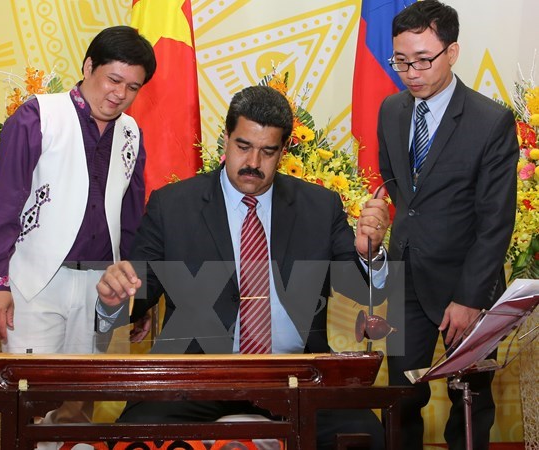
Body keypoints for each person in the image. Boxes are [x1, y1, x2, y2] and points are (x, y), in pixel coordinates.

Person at [96, 85, 391, 450]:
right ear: (225, 140)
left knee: (367, 436)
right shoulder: (173, 206)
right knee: (133, 437)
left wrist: (370, 255)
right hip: (196, 377)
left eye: (268, 151)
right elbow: (140, 293)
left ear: (283, 152)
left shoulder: (319, 207)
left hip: (294, 377)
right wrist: (114, 296)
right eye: (243, 146)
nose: (253, 162)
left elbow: (362, 290)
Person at [0, 25, 156, 448]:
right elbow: (4, 202)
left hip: (99, 286)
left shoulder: (131, 133)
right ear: (88, 66)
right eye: (113, 80)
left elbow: (132, 218)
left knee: (80, 402)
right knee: (28, 401)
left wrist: (139, 293)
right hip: (34, 281)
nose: (120, 95)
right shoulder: (39, 115)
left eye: (133, 87)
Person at [377, 1, 518, 449]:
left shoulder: (490, 121)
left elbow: (496, 220)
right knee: (401, 397)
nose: (411, 72)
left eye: (422, 60)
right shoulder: (391, 110)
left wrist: (470, 297)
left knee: (470, 400)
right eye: (401, 60)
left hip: (466, 285)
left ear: (452, 52)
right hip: (408, 280)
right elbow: (400, 187)